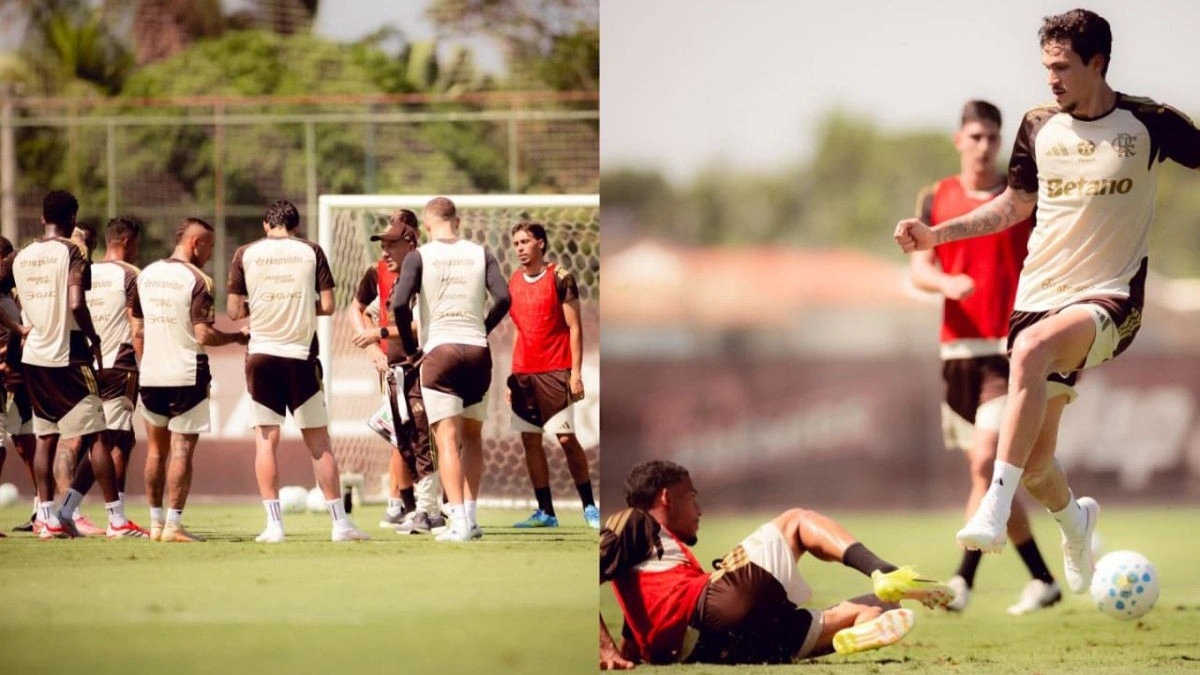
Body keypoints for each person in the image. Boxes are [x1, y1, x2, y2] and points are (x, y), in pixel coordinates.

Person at [893, 9, 1200, 595]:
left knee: (1031, 350)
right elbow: (1013, 205)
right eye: (1045, 68)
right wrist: (938, 236)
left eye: (1061, 68)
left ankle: (990, 510)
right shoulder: (1038, 125)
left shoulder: (1149, 123)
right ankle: (1075, 521)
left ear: (1098, 63)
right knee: (1037, 466)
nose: (1050, 80)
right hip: (1038, 296)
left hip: (1110, 297)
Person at [909, 100, 1059, 614]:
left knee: (984, 465)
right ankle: (1042, 579)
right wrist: (947, 281)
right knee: (995, 477)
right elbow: (919, 270)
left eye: (992, 137)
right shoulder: (936, 197)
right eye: (974, 136)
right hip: (957, 354)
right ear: (958, 140)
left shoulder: (1018, 198)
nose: (984, 145)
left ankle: (961, 582)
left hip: (1008, 348)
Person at [598, 460, 952, 669]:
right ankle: (883, 570)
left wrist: (623, 655)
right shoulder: (633, 520)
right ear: (666, 497)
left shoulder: (653, 570)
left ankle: (863, 624)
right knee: (797, 521)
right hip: (714, 609)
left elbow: (641, 630)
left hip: (720, 648)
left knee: (884, 603)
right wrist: (604, 648)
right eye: (692, 497)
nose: (700, 510)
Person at [227, 199, 368, 543]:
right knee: (319, 443)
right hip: (300, 355)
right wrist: (302, 303)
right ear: (296, 226)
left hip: (261, 355)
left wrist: (261, 303)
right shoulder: (311, 251)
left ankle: (274, 526)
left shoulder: (245, 253)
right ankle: (340, 525)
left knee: (265, 441)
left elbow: (233, 312)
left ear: (266, 225)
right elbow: (330, 305)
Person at [389, 196, 511, 542]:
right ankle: (471, 517)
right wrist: (483, 329)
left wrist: (414, 349)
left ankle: (457, 521)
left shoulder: (419, 256)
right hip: (477, 351)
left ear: (427, 224)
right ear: (456, 220)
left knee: (446, 438)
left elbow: (399, 302)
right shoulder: (480, 252)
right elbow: (503, 298)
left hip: (439, 353)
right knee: (473, 437)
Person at [11, 191, 128, 539]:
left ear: (42, 217)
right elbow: (77, 303)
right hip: (70, 354)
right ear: (73, 218)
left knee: (45, 438)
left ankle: (46, 519)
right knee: (98, 436)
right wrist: (93, 337)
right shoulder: (73, 251)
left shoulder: (21, 256)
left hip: (34, 357)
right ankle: (118, 520)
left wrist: (16, 326)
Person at [138, 217, 249, 542]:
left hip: (151, 374)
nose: (211, 254)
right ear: (195, 243)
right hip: (186, 374)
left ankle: (155, 523)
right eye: (210, 247)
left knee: (155, 453)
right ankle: (174, 524)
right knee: (182, 448)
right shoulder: (198, 280)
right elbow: (203, 335)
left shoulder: (145, 275)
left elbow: (138, 328)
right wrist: (235, 338)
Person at [348, 209, 444, 534]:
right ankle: (413, 507)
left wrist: (378, 335)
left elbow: (419, 326)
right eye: (382, 245)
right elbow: (359, 309)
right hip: (395, 369)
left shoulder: (424, 275)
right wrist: (374, 347)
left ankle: (434, 509)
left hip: (421, 366)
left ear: (411, 241)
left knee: (425, 438)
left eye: (391, 244)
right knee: (403, 440)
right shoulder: (385, 276)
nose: (384, 252)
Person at [506, 222, 599, 530]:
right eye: (516, 242)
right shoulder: (514, 281)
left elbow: (575, 327)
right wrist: (512, 376)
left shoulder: (561, 278)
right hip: (523, 374)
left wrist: (575, 373)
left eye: (525, 241)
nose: (519, 247)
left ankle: (589, 506)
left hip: (555, 370)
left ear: (541, 244)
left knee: (565, 439)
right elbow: (520, 331)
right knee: (530, 441)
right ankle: (546, 512)